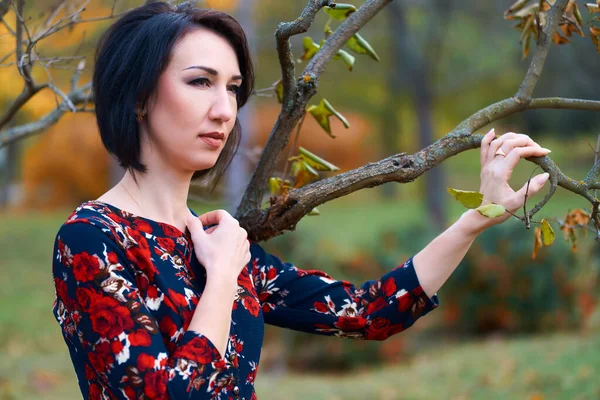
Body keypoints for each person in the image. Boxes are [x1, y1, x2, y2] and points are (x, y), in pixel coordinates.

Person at [50, 2, 552, 399]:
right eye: (200, 82)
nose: (225, 111)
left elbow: (366, 312)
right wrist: (223, 277)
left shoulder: (213, 239)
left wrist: (478, 216)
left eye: (234, 89)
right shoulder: (93, 239)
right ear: (139, 96)